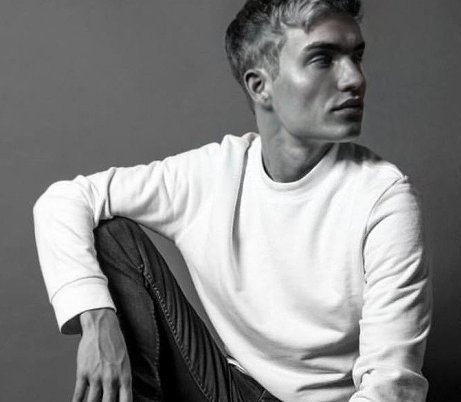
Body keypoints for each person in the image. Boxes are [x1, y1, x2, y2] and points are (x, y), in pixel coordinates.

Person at [33, 1, 432, 401]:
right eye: (323, 59)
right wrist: (97, 320)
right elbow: (65, 200)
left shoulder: (383, 199)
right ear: (260, 86)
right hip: (228, 390)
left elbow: (390, 387)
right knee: (112, 236)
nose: (355, 79)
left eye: (356, 57)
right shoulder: (215, 173)